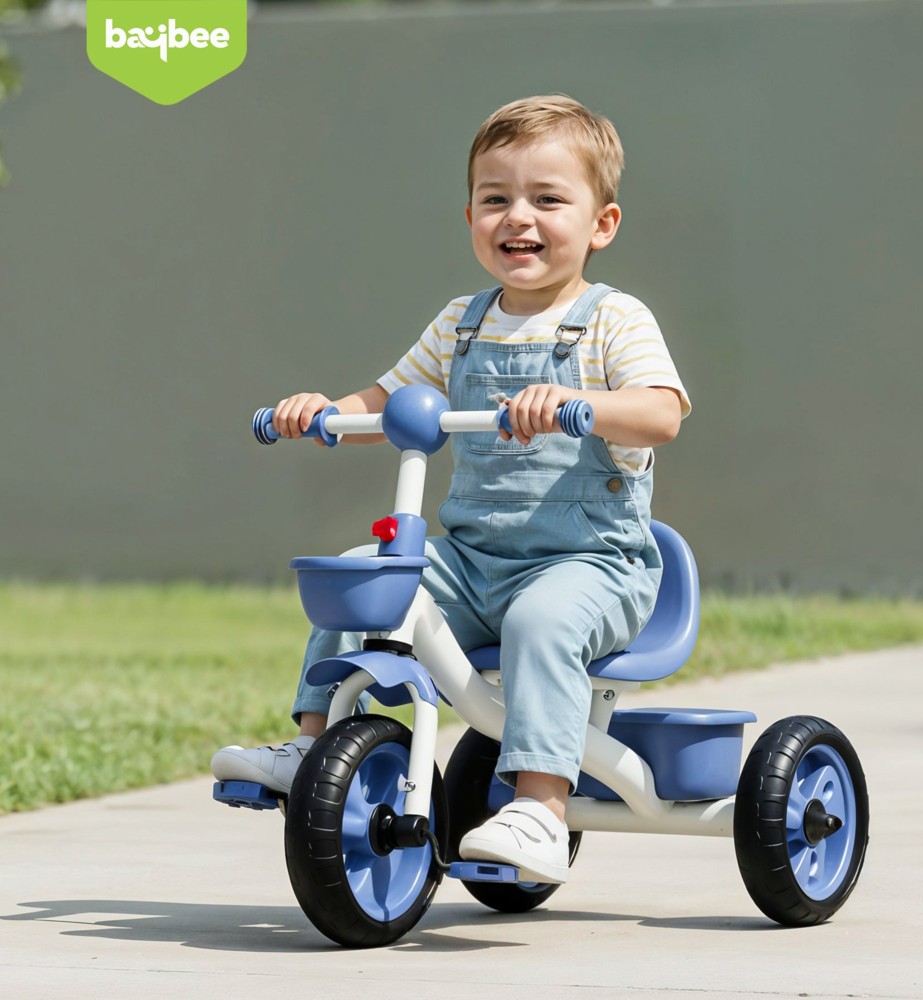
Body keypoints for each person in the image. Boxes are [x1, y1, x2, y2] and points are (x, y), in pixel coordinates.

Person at [212, 94, 691, 884]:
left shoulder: (615, 322)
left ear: (601, 224)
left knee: (542, 619)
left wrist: (578, 409)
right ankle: (310, 742)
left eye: (547, 199)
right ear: (469, 213)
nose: (518, 218)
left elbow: (661, 414)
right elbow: (387, 398)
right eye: (496, 199)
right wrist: (322, 413)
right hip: (471, 559)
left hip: (592, 565)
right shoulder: (460, 323)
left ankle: (539, 807)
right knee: (364, 575)